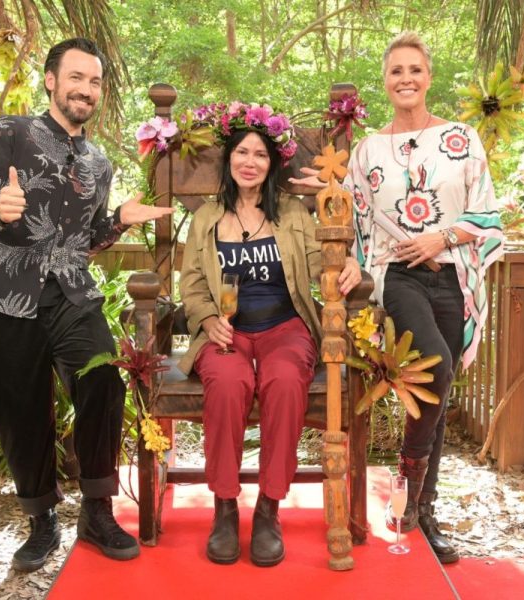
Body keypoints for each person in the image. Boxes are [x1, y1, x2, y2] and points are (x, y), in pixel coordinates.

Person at [0, 37, 173, 572]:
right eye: (76, 77)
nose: (86, 89)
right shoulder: (9, 131)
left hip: (72, 294)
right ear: (51, 80)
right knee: (21, 410)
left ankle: (96, 512)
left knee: (103, 380)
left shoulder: (99, 162)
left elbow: (86, 240)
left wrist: (118, 219)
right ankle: (42, 521)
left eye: (94, 81)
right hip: (3, 295)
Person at [298, 32, 503, 564]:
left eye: (415, 69)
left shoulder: (461, 137)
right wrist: (350, 259)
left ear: (428, 77)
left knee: (438, 389)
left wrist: (442, 237)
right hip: (399, 275)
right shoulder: (369, 149)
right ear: (386, 81)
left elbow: (486, 213)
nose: (406, 78)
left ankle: (422, 510)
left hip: (453, 274)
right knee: (435, 367)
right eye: (396, 71)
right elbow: (356, 217)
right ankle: (409, 481)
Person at [178, 106, 361, 567]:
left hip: (285, 327)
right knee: (228, 382)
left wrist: (346, 261)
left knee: (283, 381)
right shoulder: (206, 218)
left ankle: (268, 508)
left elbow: (321, 263)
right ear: (229, 159)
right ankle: (224, 508)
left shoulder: (293, 214)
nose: (250, 161)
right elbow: (192, 283)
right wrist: (207, 319)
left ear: (272, 163)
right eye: (242, 152)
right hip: (228, 330)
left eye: (260, 154)